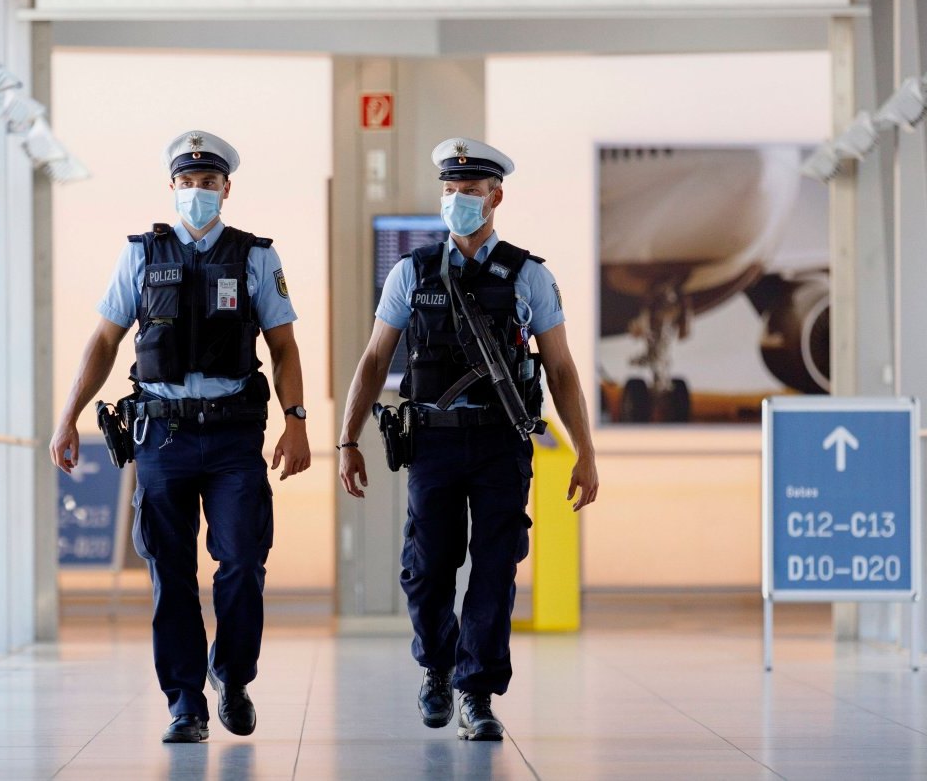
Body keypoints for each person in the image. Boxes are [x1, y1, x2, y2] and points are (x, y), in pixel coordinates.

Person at [50, 130, 312, 744]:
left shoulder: (256, 258)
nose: (198, 191)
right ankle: (186, 704)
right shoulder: (140, 255)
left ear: (227, 188)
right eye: (188, 182)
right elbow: (105, 341)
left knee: (243, 560)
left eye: (209, 182)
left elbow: (284, 346)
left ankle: (233, 675)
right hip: (162, 437)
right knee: (170, 571)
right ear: (173, 187)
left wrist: (297, 421)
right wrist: (67, 416)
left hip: (232, 438)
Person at [337, 137, 599, 741]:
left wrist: (585, 450)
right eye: (449, 192)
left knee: (494, 568)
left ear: (495, 198)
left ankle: (476, 693)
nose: (457, 202)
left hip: (501, 444)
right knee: (428, 567)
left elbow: (560, 369)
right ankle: (437, 664)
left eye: (470, 193)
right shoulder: (411, 272)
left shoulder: (529, 275)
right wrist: (347, 439)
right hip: (432, 442)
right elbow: (377, 357)